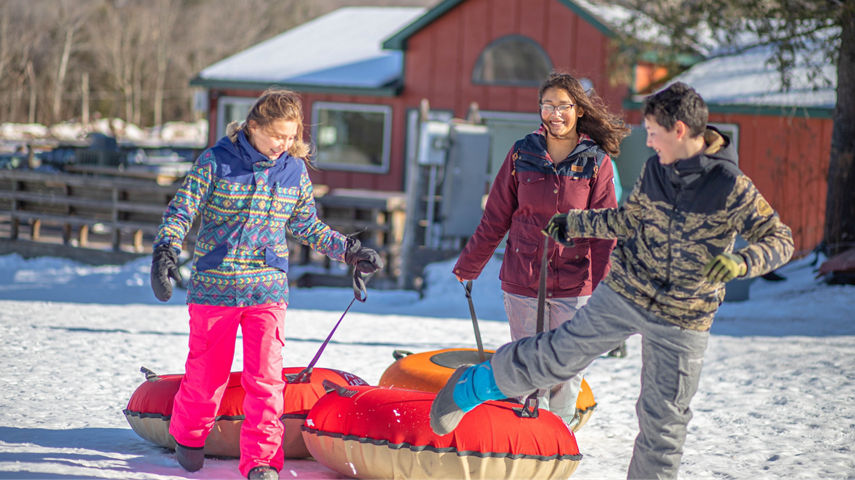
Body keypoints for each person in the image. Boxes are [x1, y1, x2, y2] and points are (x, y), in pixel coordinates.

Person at [430, 82, 794, 479]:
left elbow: (780, 240)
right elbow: (628, 219)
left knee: (664, 424)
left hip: (684, 316)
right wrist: (575, 223)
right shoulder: (657, 169)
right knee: (557, 355)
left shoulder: (730, 185)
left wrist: (743, 262)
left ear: (679, 131)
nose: (648, 142)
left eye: (653, 132)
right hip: (627, 293)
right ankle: (473, 386)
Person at [149, 89, 382, 480]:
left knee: (266, 380)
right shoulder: (216, 161)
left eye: (291, 137)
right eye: (277, 136)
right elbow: (181, 210)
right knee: (207, 374)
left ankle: (261, 461)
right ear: (253, 126)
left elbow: (306, 225)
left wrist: (349, 251)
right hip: (216, 285)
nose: (283, 145)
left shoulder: (293, 170)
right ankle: (189, 434)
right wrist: (165, 251)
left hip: (267, 288)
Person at [451, 72, 629, 427]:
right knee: (527, 367)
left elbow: (605, 231)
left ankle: (555, 438)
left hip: (574, 284)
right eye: (548, 105)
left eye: (563, 106)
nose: (555, 114)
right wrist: (470, 265)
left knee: (567, 369)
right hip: (523, 279)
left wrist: (607, 288)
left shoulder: (596, 161)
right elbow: (496, 216)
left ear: (579, 110)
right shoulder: (522, 152)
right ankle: (526, 440)